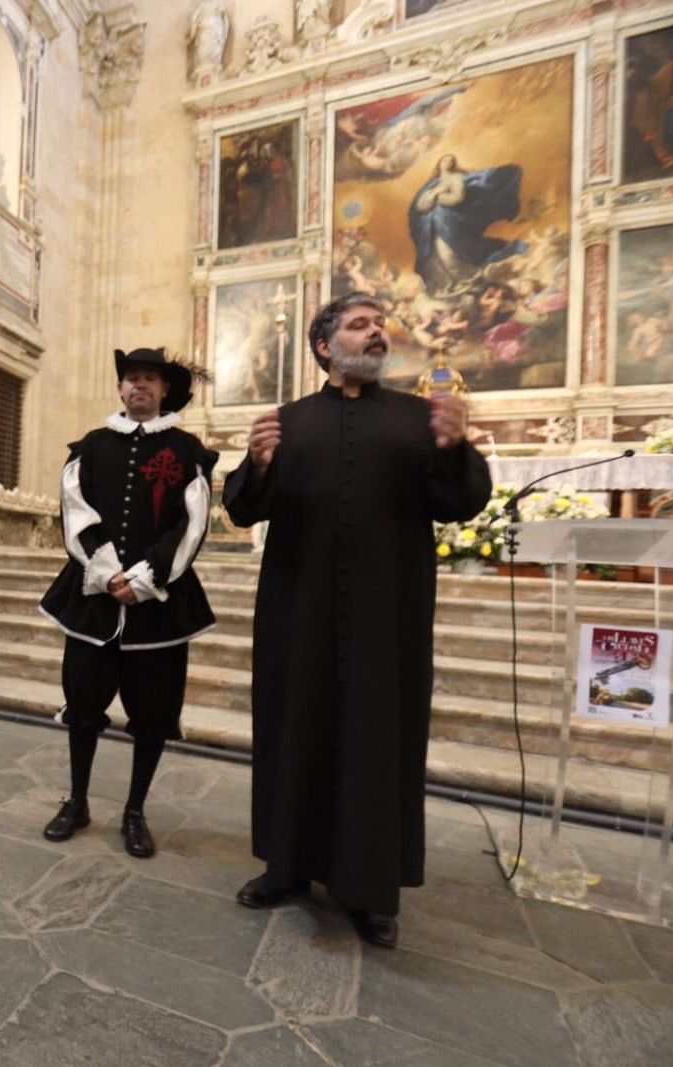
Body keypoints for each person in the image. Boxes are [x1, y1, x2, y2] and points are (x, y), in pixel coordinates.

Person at [222, 293, 490, 948]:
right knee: (295, 729)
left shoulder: (417, 417)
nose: (377, 334)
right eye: (359, 325)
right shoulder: (286, 421)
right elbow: (242, 509)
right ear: (324, 345)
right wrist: (256, 465)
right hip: (297, 612)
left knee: (377, 742)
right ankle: (285, 868)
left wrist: (455, 451)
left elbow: (460, 503)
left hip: (385, 618)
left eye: (380, 325)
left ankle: (371, 891)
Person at [39, 347, 218, 858]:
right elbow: (74, 510)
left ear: (164, 391)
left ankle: (135, 810)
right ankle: (76, 801)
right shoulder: (91, 446)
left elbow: (193, 521)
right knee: (82, 708)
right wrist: (105, 571)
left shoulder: (187, 450)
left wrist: (145, 578)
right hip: (93, 601)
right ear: (120, 388)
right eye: (131, 379)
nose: (139, 386)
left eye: (149, 380)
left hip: (159, 607)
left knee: (153, 715)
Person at [408, 154, 528, 294]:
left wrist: (437, 196)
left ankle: (465, 278)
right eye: (445, 160)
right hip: (432, 225)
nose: (447, 163)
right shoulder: (431, 184)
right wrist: (434, 194)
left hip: (449, 221)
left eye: (450, 161)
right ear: (439, 163)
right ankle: (447, 283)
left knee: (449, 251)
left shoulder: (456, 178)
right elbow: (420, 206)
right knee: (436, 255)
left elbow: (457, 197)